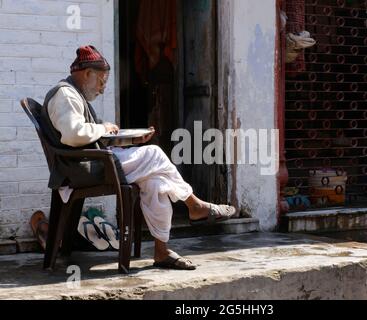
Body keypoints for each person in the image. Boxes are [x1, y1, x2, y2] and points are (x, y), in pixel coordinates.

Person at [38, 45, 236, 270]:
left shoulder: (75, 95)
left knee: (156, 182)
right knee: (154, 153)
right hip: (82, 169)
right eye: (102, 81)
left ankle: (161, 252)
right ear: (87, 74)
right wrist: (103, 129)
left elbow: (83, 134)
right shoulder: (65, 94)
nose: (103, 89)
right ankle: (195, 205)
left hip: (93, 163)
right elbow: (73, 135)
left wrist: (130, 140)